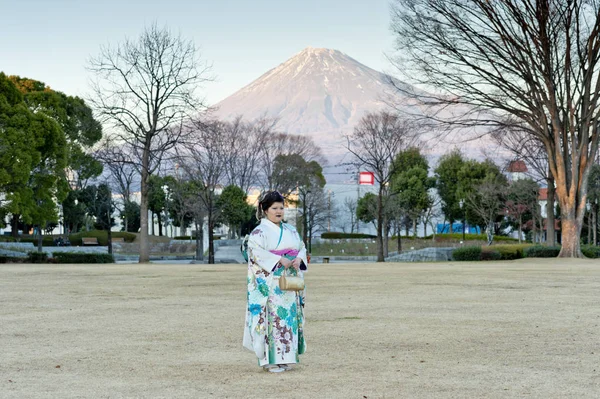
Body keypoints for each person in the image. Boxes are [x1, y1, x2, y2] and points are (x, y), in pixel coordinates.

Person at [243, 190, 308, 373]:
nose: (279, 211)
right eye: (274, 208)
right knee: (272, 321)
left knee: (287, 321)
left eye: (281, 207)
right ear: (265, 210)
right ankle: (270, 360)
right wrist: (278, 260)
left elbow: (301, 248)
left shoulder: (291, 231)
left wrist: (299, 260)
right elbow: (255, 254)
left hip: (288, 284)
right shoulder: (259, 232)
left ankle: (286, 357)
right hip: (270, 284)